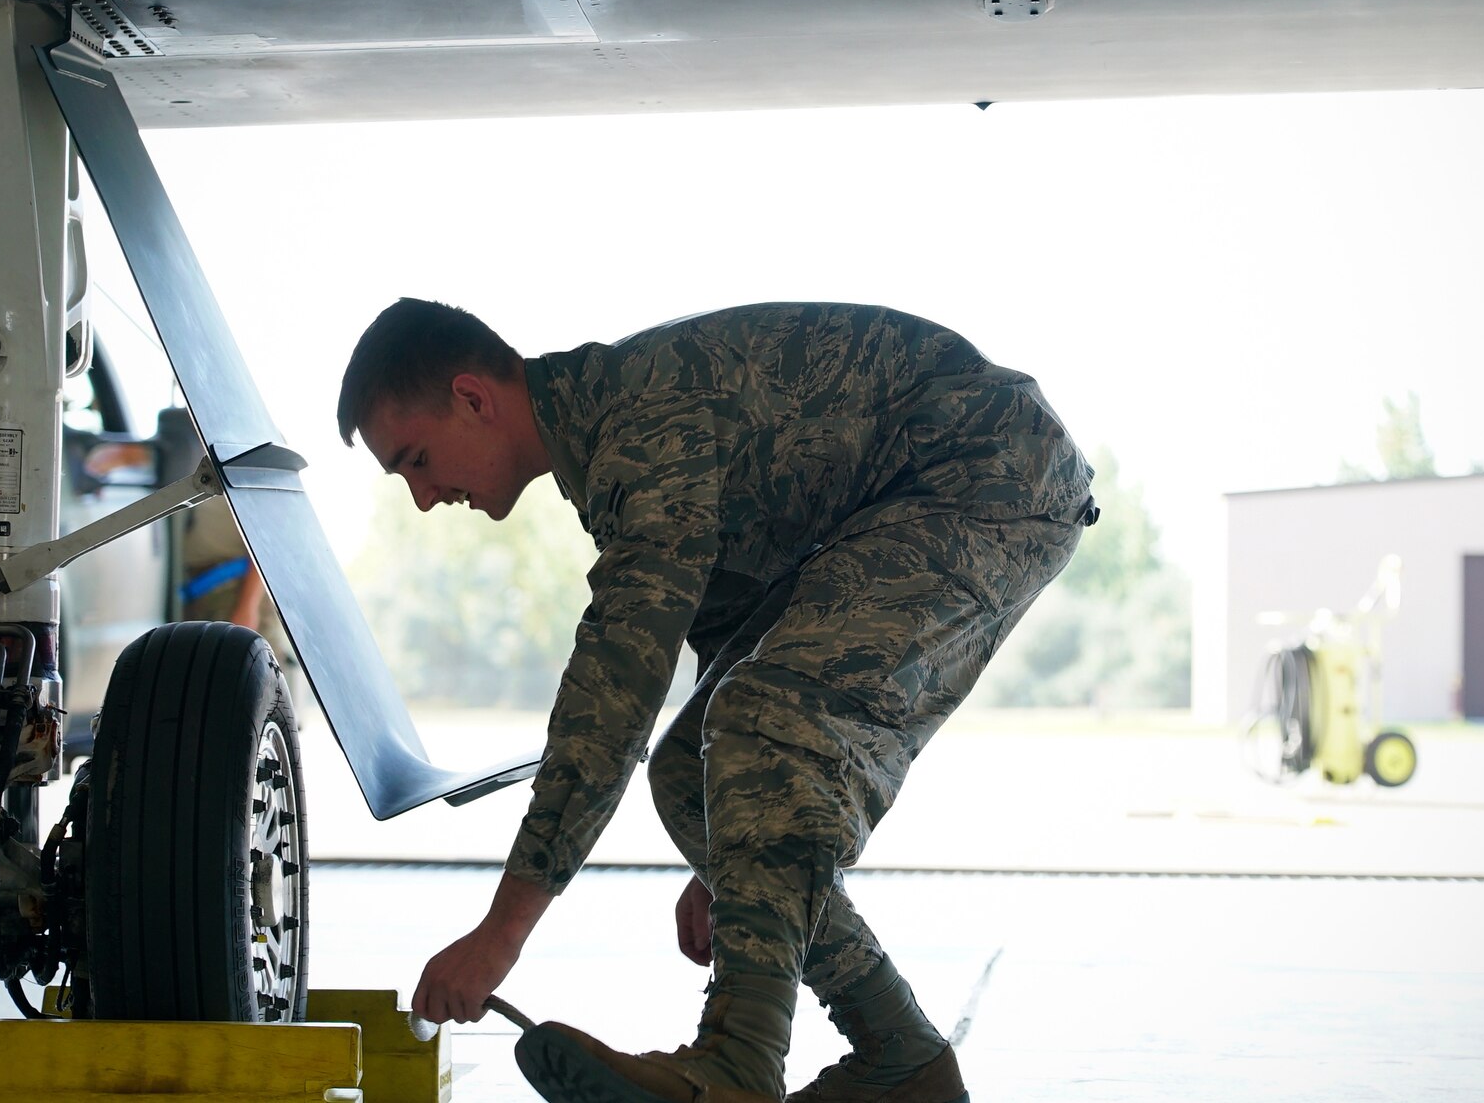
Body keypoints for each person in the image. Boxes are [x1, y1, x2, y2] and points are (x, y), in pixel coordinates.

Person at [337, 300, 1096, 1103]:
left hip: (985, 472)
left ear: (473, 398)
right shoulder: (603, 442)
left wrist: (499, 936)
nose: (422, 498)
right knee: (689, 772)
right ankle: (900, 1057)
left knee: (761, 723)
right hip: (914, 496)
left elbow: (612, 698)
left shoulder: (639, 426)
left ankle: (737, 1064)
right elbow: (730, 616)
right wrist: (735, 847)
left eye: (415, 460)